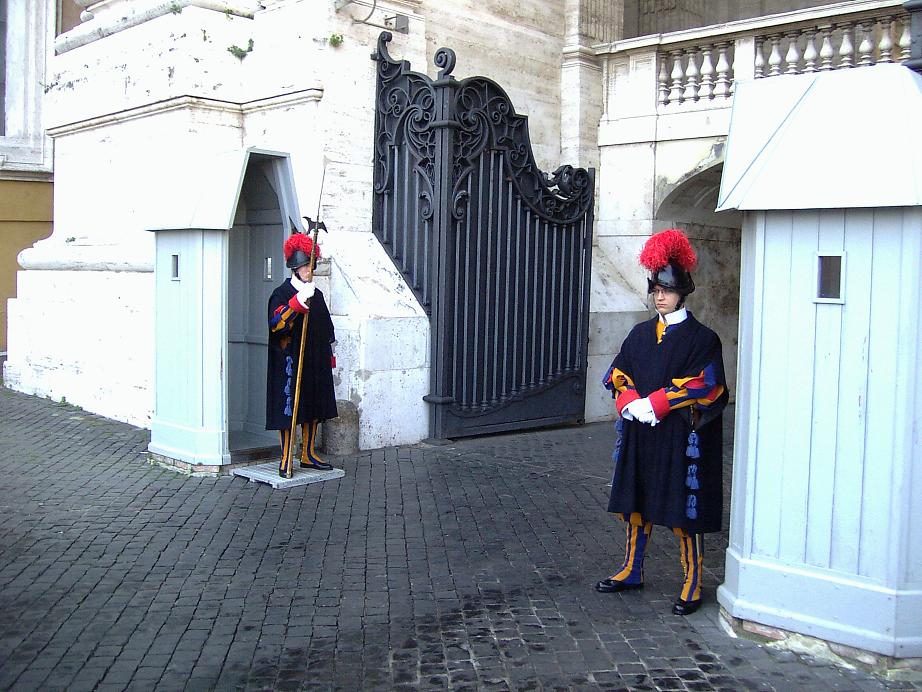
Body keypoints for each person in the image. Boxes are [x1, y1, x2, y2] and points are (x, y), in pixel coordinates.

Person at [595, 228, 728, 616]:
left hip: (678, 434)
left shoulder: (703, 338)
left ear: (681, 292)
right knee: (636, 502)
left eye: (666, 291)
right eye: (656, 290)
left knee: (683, 510)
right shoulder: (640, 334)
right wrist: (630, 402)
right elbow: (617, 372)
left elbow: (708, 383)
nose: (660, 296)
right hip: (641, 433)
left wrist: (658, 402)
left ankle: (692, 580)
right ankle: (631, 569)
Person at [266, 232, 338, 477]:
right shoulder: (282, 293)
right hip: (290, 360)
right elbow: (277, 324)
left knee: (314, 405)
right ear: (295, 268)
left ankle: (308, 453)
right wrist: (297, 303)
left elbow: (325, 326)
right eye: (305, 265)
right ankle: (287, 456)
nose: (309, 269)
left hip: (314, 360)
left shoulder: (315, 294)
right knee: (289, 408)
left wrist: (329, 354)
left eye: (311, 264)